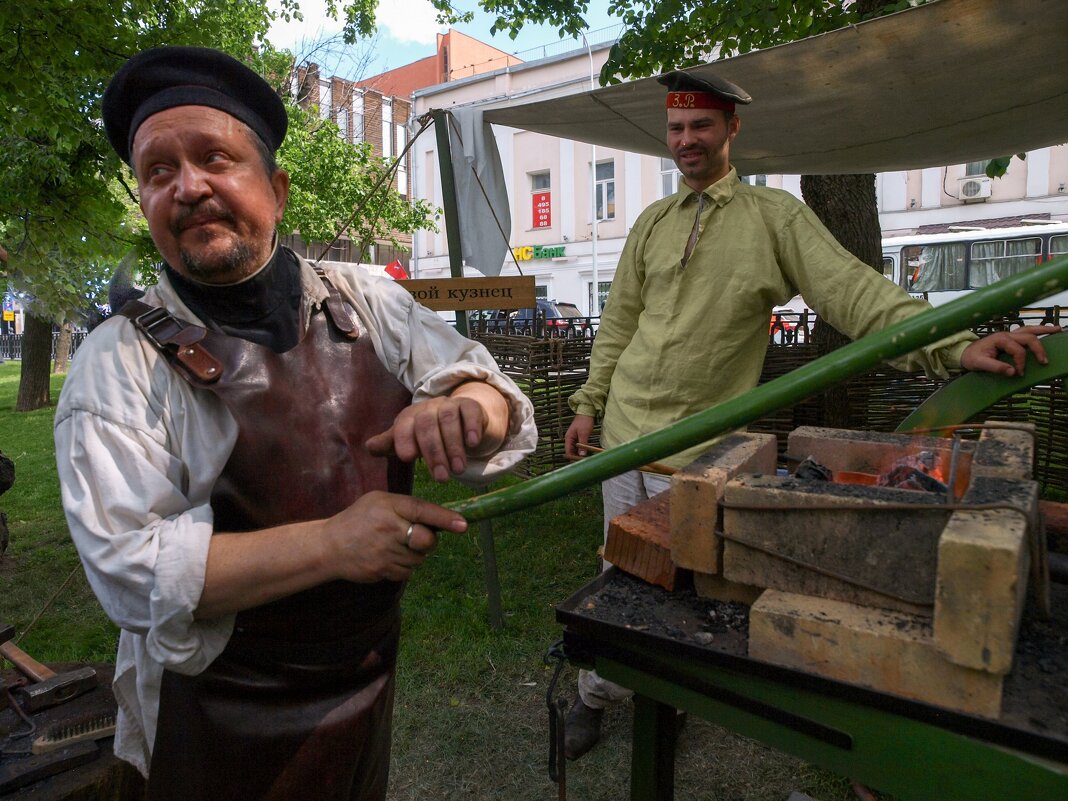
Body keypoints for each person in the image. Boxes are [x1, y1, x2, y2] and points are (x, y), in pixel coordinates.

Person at [54, 46, 536, 800]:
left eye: (216, 157)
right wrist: (335, 543)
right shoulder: (118, 363)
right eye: (157, 171)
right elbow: (129, 569)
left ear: (275, 189)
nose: (188, 187)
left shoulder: (368, 300)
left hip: (365, 685)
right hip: (216, 720)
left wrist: (467, 405)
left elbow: (492, 388)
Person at [561, 70, 1059, 760]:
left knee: (685, 595)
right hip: (622, 437)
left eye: (701, 126)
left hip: (699, 452)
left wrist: (955, 344)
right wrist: (589, 404)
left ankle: (665, 698)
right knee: (620, 578)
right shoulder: (651, 222)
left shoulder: (775, 218)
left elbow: (857, 293)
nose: (686, 141)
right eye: (676, 129)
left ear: (733, 129)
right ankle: (595, 693)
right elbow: (617, 327)